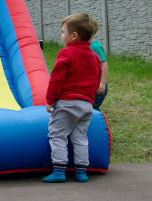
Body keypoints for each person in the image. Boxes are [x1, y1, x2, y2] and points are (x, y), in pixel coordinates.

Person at [43, 13, 101, 184]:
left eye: (63, 32)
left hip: (67, 103)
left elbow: (56, 79)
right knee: (81, 137)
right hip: (86, 105)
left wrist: (49, 100)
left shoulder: (66, 53)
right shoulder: (95, 57)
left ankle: (59, 171)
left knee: (57, 134)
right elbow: (96, 80)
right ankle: (81, 171)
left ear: (74, 35)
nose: (61, 35)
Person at [90, 38, 108, 110]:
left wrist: (102, 83)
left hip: (98, 87)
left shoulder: (95, 47)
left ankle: (99, 120)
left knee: (93, 108)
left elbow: (104, 63)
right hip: (91, 84)